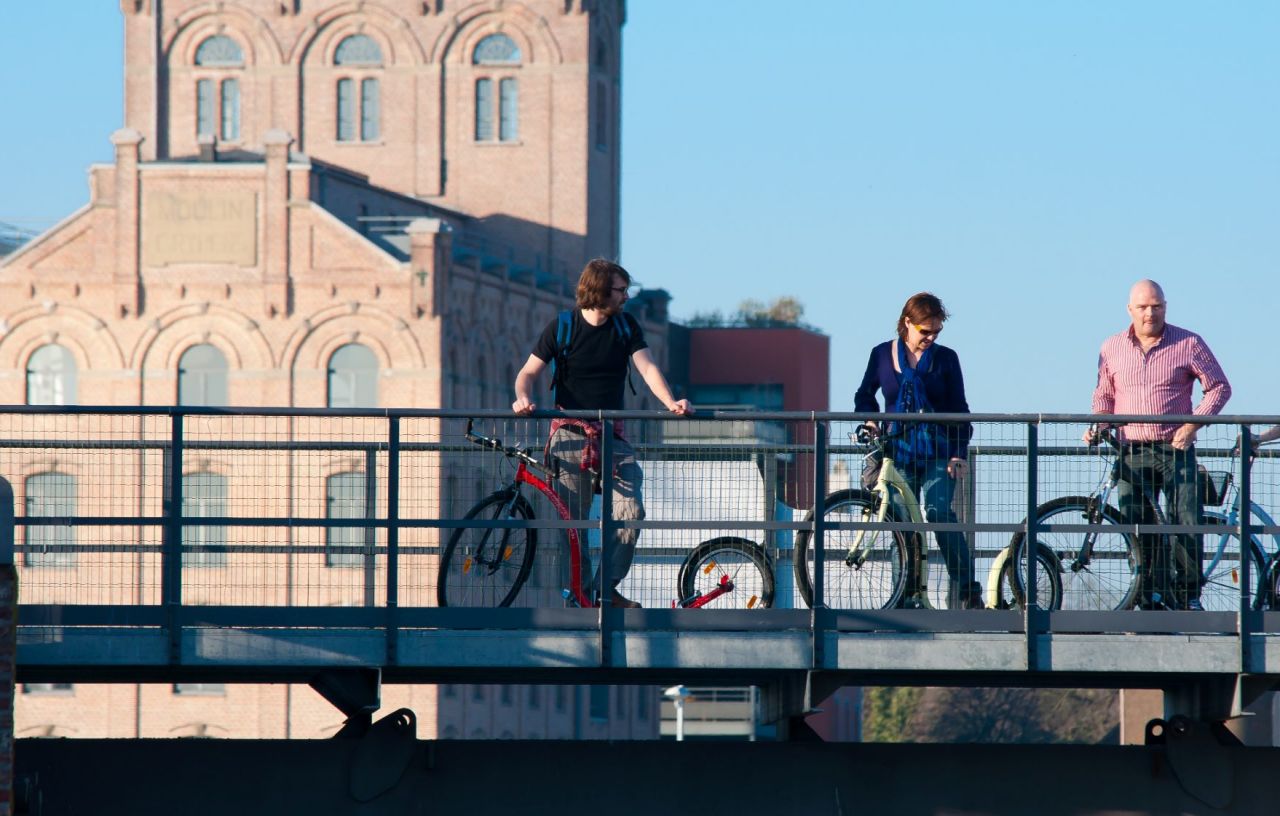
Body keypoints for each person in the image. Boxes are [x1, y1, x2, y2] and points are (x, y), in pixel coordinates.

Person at [512, 259, 692, 608]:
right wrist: (523, 397)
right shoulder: (562, 327)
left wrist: (671, 401)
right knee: (573, 525)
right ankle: (578, 597)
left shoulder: (626, 327)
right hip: (569, 436)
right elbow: (527, 372)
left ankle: (602, 589)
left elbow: (647, 367)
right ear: (598, 291)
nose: (626, 297)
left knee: (631, 511)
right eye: (620, 290)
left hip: (612, 435)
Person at [1086, 279, 1231, 611]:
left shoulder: (1189, 342)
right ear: (1130, 310)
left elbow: (1219, 387)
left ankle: (1187, 596)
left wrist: (1194, 424)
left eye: (1157, 306)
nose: (1150, 313)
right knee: (1137, 525)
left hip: (1174, 448)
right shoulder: (1111, 346)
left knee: (1186, 523)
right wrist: (1099, 424)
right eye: (1143, 307)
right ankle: (1148, 597)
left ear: (1166, 306)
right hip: (1130, 449)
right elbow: (1104, 396)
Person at [855, 292, 982, 609]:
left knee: (939, 512)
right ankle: (905, 595)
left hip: (939, 451)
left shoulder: (946, 358)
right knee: (902, 523)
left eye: (936, 332)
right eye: (925, 331)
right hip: (898, 452)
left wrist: (958, 453)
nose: (931, 337)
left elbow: (959, 409)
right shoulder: (882, 355)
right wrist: (870, 421)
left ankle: (968, 590)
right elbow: (864, 395)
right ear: (907, 323)